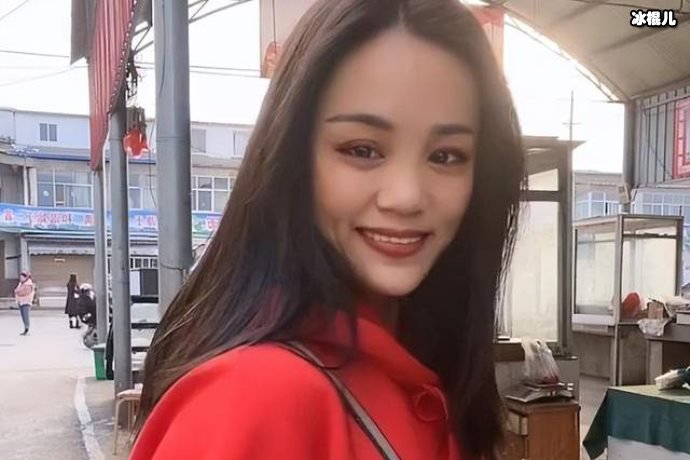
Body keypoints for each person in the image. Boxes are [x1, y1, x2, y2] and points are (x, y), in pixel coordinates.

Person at [132, 1, 524, 459]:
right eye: (362, 149)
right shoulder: (259, 398)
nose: (406, 196)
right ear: (293, 154)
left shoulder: (428, 370)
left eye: (446, 156)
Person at [14, 271, 34, 336]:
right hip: (21, 302)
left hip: (26, 302)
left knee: (26, 316)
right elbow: (16, 290)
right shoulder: (21, 283)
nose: (21, 278)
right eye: (20, 277)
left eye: (22, 277)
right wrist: (17, 291)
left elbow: (23, 292)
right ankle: (25, 328)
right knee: (23, 316)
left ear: (25, 277)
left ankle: (27, 329)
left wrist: (18, 292)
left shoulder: (28, 284)